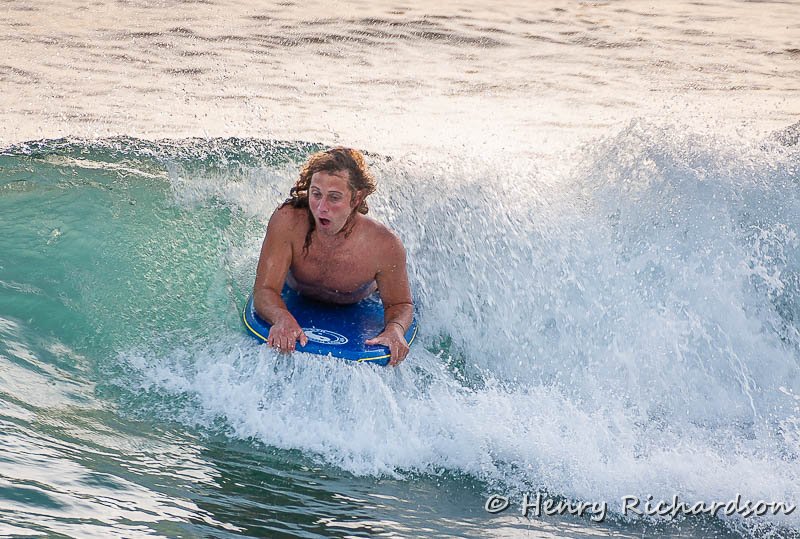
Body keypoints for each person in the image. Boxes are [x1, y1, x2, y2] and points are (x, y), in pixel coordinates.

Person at [252, 147, 414, 366]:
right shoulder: (288, 221)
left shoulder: (384, 245)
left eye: (334, 198)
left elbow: (400, 303)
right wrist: (281, 317)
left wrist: (395, 329)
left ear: (356, 198)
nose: (321, 207)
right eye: (316, 194)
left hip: (356, 304)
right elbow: (265, 290)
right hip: (298, 295)